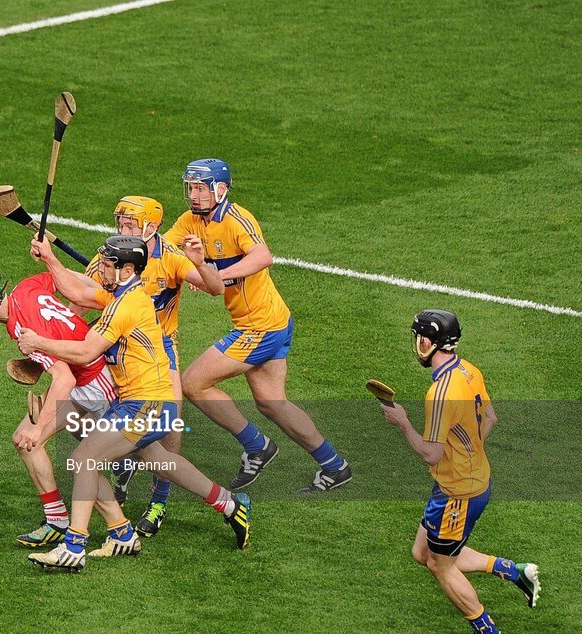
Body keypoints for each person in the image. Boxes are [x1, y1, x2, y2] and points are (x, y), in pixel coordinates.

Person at [19, 235, 251, 572]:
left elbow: (86, 352)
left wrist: (39, 342)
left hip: (146, 404)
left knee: (84, 458)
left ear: (127, 270)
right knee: (158, 459)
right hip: (138, 401)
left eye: (108, 265)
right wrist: (50, 259)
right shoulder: (123, 294)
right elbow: (78, 292)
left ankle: (74, 546)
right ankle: (229, 505)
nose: (101, 270)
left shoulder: (124, 306)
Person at [165, 158, 351, 492]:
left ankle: (257, 446)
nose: (193, 195)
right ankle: (335, 465)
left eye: (201, 188)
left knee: (193, 383)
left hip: (260, 327)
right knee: (272, 403)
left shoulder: (236, 219)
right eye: (190, 188)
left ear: (220, 190)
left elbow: (263, 256)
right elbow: (162, 249)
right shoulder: (189, 220)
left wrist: (217, 276)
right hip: (273, 321)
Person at [380, 309, 541, 634]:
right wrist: (468, 455)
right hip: (463, 482)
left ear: (429, 342)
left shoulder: (440, 394)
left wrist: (403, 423)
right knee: (422, 552)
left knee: (440, 565)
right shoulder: (469, 370)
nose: (417, 343)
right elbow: (490, 418)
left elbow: (431, 453)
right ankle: (513, 571)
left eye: (419, 337)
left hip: (458, 493)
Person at [78, 196, 222, 537]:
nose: (123, 229)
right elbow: (81, 298)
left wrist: (201, 264)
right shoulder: (112, 255)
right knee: (89, 407)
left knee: (170, 425)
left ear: (151, 227)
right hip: (118, 344)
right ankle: (120, 459)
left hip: (160, 347)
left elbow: (215, 288)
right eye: (121, 223)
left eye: (130, 224)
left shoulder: (170, 256)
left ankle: (158, 501)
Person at [0, 270, 117, 548]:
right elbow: (61, 276)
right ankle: (57, 521)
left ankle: (122, 529)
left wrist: (39, 427)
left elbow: (64, 379)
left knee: (96, 459)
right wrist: (105, 294)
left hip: (94, 384)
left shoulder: (22, 329)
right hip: (82, 379)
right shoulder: (26, 287)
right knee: (25, 440)